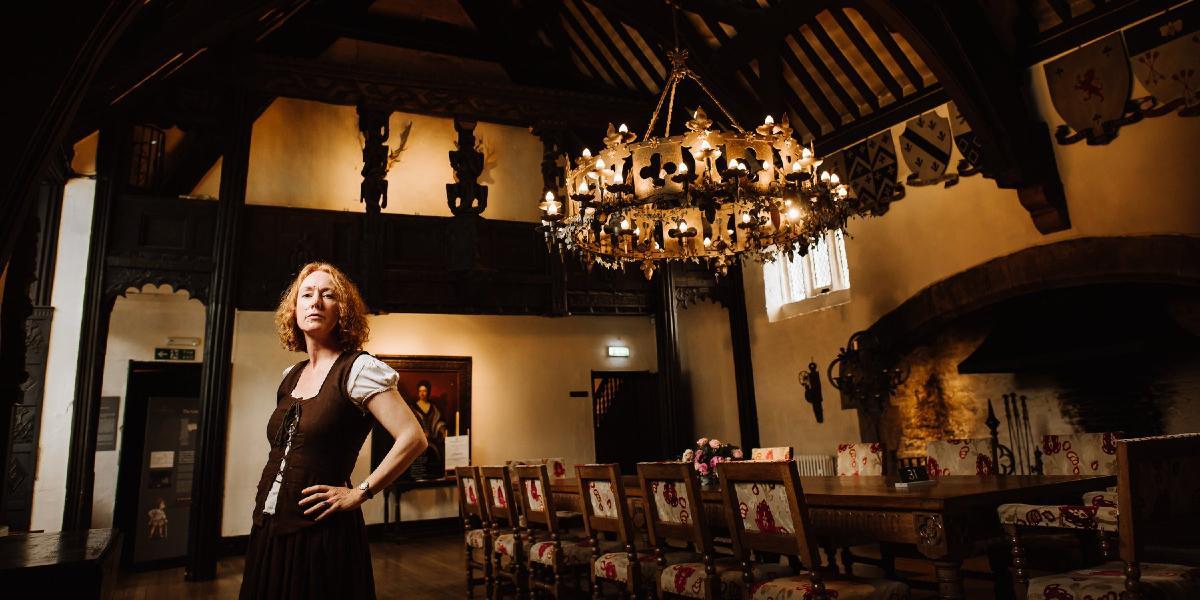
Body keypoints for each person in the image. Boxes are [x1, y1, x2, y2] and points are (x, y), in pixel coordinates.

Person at [240, 262, 428, 600]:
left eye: (328, 295)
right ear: (294, 309)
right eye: (307, 294)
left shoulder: (358, 369)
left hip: (320, 531)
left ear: (343, 311)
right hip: (269, 526)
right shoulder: (291, 375)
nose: (315, 302)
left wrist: (361, 492)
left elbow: (413, 437)